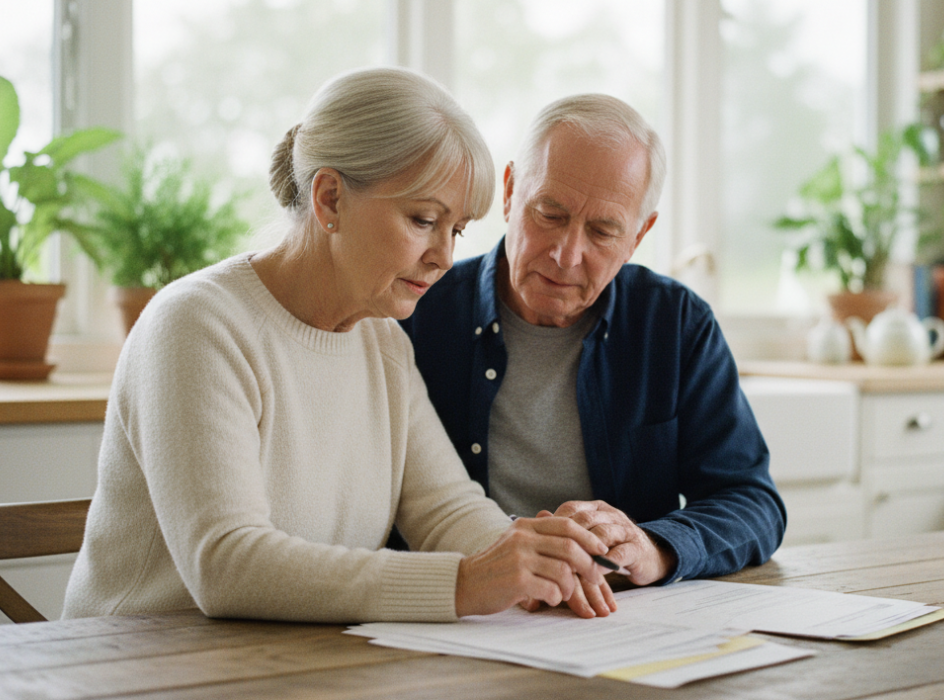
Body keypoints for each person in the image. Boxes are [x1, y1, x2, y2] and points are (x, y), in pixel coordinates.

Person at [63, 68, 618, 624]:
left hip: (290, 665)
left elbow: (446, 510)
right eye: (424, 219)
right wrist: (464, 582)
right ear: (329, 198)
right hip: (136, 669)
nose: (444, 257)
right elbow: (227, 565)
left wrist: (537, 563)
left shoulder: (383, 345)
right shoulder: (197, 325)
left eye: (456, 231)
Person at [399, 94, 787, 597]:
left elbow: (751, 501)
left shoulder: (675, 324)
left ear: (639, 235)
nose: (566, 255)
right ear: (511, 193)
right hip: (464, 609)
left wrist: (655, 545)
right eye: (550, 215)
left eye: (603, 231)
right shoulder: (415, 312)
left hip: (618, 619)